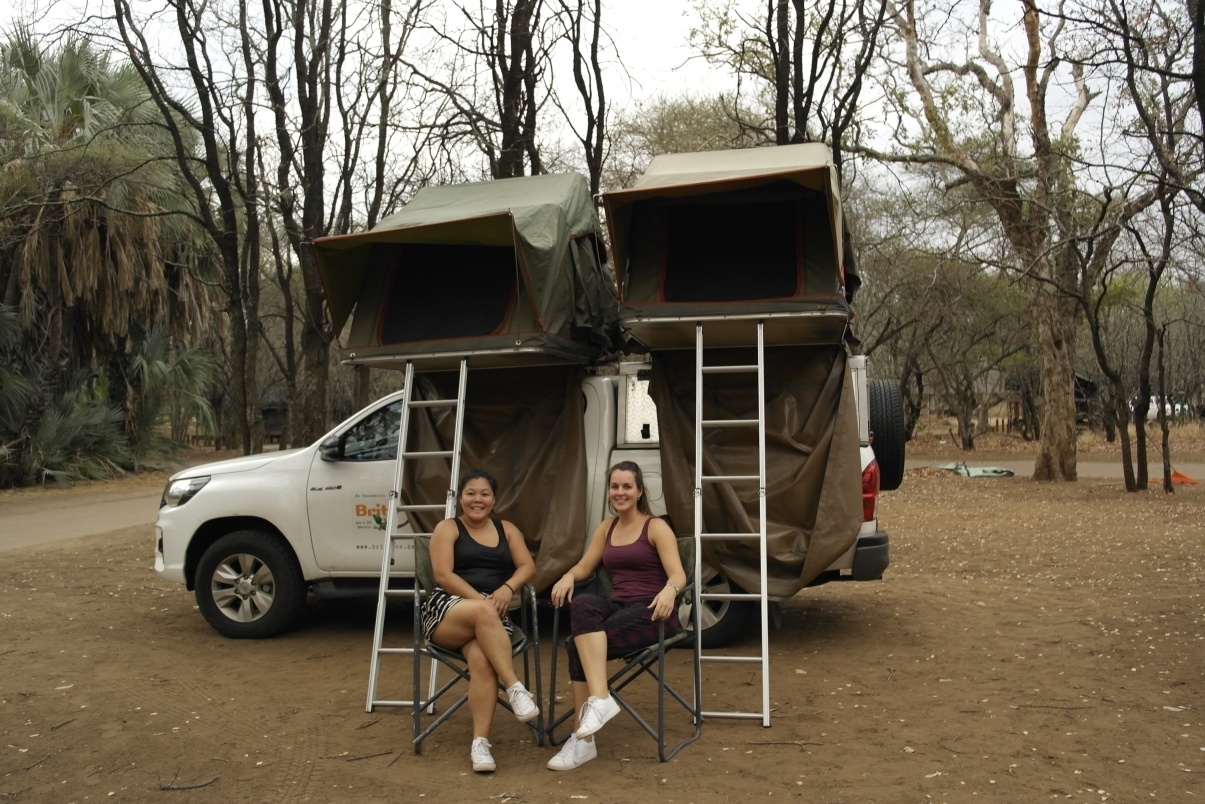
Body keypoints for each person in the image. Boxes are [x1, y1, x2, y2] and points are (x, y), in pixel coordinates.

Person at [547, 461, 687, 771]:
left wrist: (669, 590)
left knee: (576, 645)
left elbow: (678, 573)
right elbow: (585, 566)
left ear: (639, 492)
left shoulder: (656, 527)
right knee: (582, 603)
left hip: (654, 612)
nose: (619, 492)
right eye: (614, 486)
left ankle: (582, 739)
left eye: (626, 486)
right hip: (620, 608)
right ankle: (599, 702)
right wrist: (569, 576)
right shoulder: (606, 527)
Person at [421, 469, 540, 773]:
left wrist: (506, 588)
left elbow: (527, 566)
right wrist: (481, 601)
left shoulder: (507, 529)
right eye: (470, 493)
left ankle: (480, 745)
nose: (478, 499)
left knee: (484, 663)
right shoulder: (448, 528)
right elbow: (443, 576)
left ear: (494, 499)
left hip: (490, 616)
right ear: (460, 499)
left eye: (484, 493)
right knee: (486, 613)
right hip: (448, 610)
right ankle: (515, 687)